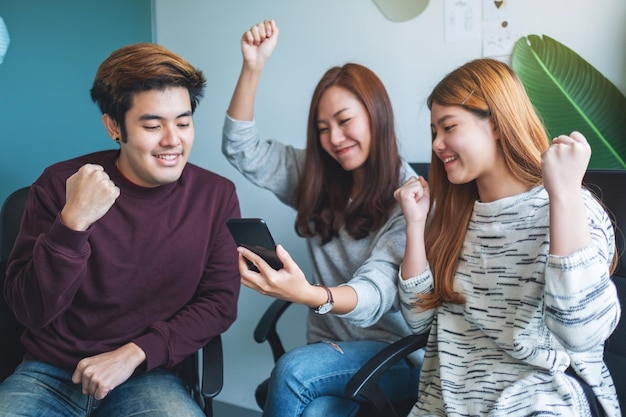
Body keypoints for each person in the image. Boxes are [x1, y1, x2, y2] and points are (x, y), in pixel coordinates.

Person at [0, 43, 241, 417]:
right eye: (152, 125)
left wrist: (135, 354)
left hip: (146, 375)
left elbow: (219, 303)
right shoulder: (61, 185)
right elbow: (29, 310)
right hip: (48, 373)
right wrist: (72, 223)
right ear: (114, 126)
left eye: (183, 122)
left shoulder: (215, 196)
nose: (172, 140)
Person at [394, 58, 621, 416]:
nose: (437, 144)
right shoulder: (454, 216)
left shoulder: (569, 205)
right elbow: (418, 319)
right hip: (447, 405)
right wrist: (414, 224)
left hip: (540, 403)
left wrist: (564, 196)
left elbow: (581, 333)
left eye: (449, 127)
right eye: (433, 132)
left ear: (498, 124)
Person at [223, 20, 422, 417]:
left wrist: (309, 294)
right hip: (327, 351)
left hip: (392, 356)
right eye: (322, 128)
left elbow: (375, 295)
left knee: (293, 371)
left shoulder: (408, 198)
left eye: (345, 121)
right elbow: (240, 148)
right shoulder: (316, 177)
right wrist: (252, 67)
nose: (334, 139)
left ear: (376, 115)